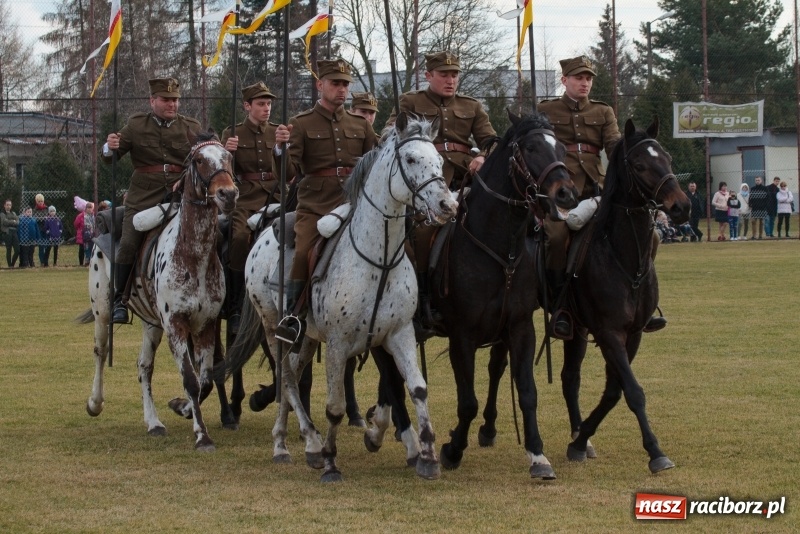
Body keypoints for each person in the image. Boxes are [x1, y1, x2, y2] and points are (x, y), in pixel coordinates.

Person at [385, 51, 496, 332]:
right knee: (423, 232)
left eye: (454, 74)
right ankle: (424, 299)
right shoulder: (410, 102)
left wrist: (483, 155)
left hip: (464, 179)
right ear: (428, 75)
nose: (451, 80)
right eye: (444, 74)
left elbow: (491, 140)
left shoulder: (472, 106)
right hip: (424, 182)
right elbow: (389, 133)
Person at [272, 58, 377, 342]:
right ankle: (293, 316)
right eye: (335, 83)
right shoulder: (301, 123)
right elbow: (289, 174)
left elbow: (377, 162)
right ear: (321, 85)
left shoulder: (361, 125)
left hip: (357, 205)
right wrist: (280, 149)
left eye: (345, 84)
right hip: (316, 206)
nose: (341, 89)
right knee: (305, 248)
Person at [103, 77, 202, 323]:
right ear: (152, 100)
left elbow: (203, 158)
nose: (172, 105)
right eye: (166, 100)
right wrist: (109, 146)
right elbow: (111, 158)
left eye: (175, 100)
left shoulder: (191, 126)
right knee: (128, 243)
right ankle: (120, 300)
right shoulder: (136, 126)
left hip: (182, 196)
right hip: (144, 196)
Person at [222, 82, 281, 333]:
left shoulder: (279, 132)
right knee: (238, 238)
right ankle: (235, 304)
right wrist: (228, 153)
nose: (266, 108)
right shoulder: (232, 133)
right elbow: (224, 173)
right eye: (261, 104)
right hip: (246, 198)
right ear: (247, 106)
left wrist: (282, 148)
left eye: (268, 104)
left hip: (278, 195)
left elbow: (289, 167)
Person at [74, 202, 95, 266]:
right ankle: (81, 263)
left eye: (90, 208)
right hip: (82, 235)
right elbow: (76, 224)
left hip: (92, 234)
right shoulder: (80, 216)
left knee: (91, 248)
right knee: (82, 249)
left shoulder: (94, 216)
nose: (89, 209)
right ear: (85, 208)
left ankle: (89, 262)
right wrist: (81, 230)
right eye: (88, 208)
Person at [1, 199, 20, 268]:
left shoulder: (14, 213)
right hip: (7, 232)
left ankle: (12, 264)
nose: (8, 206)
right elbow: (4, 222)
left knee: (17, 250)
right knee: (8, 249)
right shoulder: (2, 214)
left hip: (14, 232)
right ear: (4, 205)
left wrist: (11, 221)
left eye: (10, 205)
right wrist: (13, 221)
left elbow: (17, 222)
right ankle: (10, 266)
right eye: (7, 205)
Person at [32, 193, 48, 266]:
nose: (40, 203)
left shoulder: (46, 209)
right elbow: (35, 218)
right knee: (41, 246)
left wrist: (41, 218)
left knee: (47, 245)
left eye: (41, 201)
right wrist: (42, 218)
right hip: (39, 230)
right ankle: (42, 262)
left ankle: (46, 261)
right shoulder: (34, 210)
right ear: (36, 202)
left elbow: (47, 217)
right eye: (39, 201)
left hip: (46, 229)